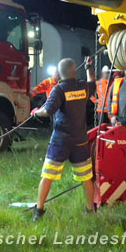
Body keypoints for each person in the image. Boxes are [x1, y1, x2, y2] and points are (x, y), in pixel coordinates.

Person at [30, 57, 97, 221]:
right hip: (80, 141)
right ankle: (90, 210)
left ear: (59, 73)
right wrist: (89, 67)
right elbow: (92, 82)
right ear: (75, 71)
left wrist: (36, 112)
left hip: (60, 141)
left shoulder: (58, 90)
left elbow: (48, 111)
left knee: (48, 175)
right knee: (86, 177)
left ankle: (39, 211)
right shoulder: (83, 87)